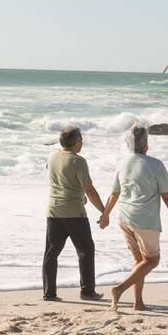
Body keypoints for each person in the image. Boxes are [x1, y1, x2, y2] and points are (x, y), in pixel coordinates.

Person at [98, 124, 168, 311]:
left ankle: (138, 302)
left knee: (139, 261)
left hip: (124, 218)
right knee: (152, 260)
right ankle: (119, 289)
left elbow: (114, 193)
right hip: (145, 221)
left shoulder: (122, 163)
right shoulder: (155, 164)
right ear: (144, 143)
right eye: (147, 140)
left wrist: (105, 215)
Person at [43, 125, 106, 302]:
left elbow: (61, 179)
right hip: (74, 213)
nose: (82, 141)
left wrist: (79, 195)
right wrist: (104, 211)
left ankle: (49, 293)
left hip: (53, 210)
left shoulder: (52, 155)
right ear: (76, 141)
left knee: (51, 253)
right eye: (81, 138)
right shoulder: (78, 161)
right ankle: (87, 292)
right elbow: (89, 189)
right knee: (85, 251)